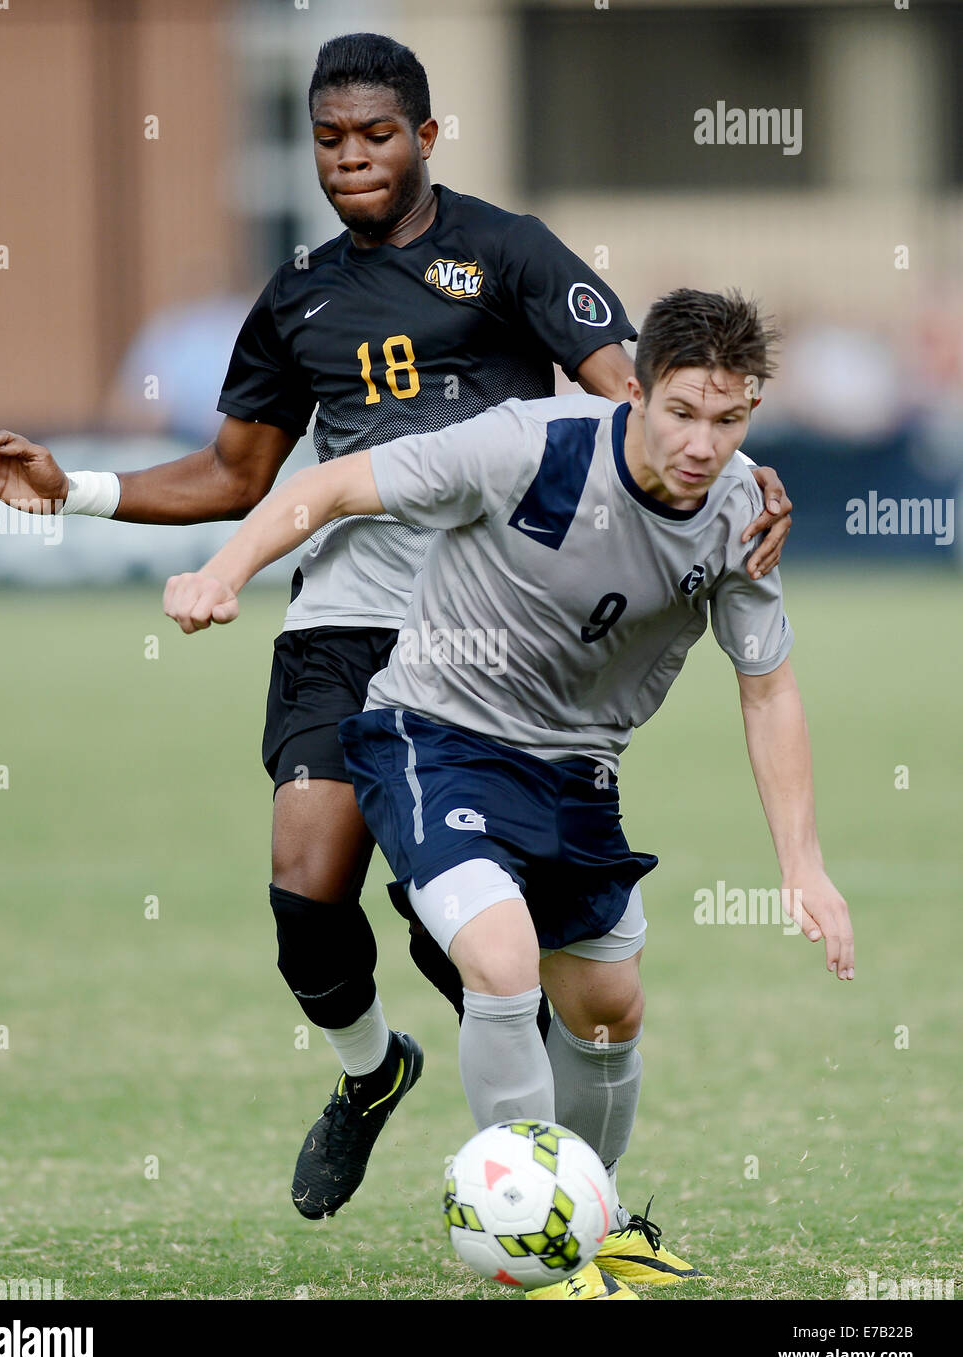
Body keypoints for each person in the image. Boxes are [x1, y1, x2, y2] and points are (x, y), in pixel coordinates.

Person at [0, 34, 793, 1232]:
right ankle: (369, 1071)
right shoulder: (296, 293)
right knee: (306, 885)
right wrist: (77, 489)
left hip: (486, 632)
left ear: (426, 137)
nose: (352, 158)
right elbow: (237, 472)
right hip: (345, 615)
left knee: (478, 949)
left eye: (376, 134)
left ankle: (566, 1201)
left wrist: (744, 482)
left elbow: (636, 394)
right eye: (330, 139)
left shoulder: (506, 250)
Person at [162, 287, 854, 1300]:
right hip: (433, 734)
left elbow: (769, 687)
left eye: (729, 418)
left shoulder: (745, 512)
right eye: (682, 411)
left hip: (579, 771)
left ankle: (593, 1216)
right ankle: (529, 1250)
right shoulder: (526, 445)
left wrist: (805, 865)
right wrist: (221, 570)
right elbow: (336, 484)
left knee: (609, 1009)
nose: (703, 443)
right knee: (499, 958)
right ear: (637, 391)